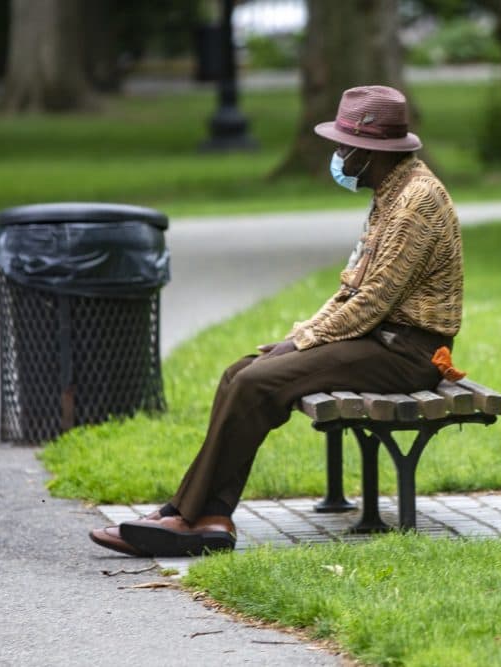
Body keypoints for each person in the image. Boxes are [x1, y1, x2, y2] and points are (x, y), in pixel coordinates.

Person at [89, 85, 463, 557]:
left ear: (372, 152)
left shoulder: (416, 202)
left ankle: (189, 519)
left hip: (409, 353)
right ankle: (201, 516)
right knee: (239, 374)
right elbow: (352, 288)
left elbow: (373, 301)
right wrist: (298, 337)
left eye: (345, 146)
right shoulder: (393, 191)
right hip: (379, 340)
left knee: (257, 383)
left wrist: (302, 343)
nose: (338, 154)